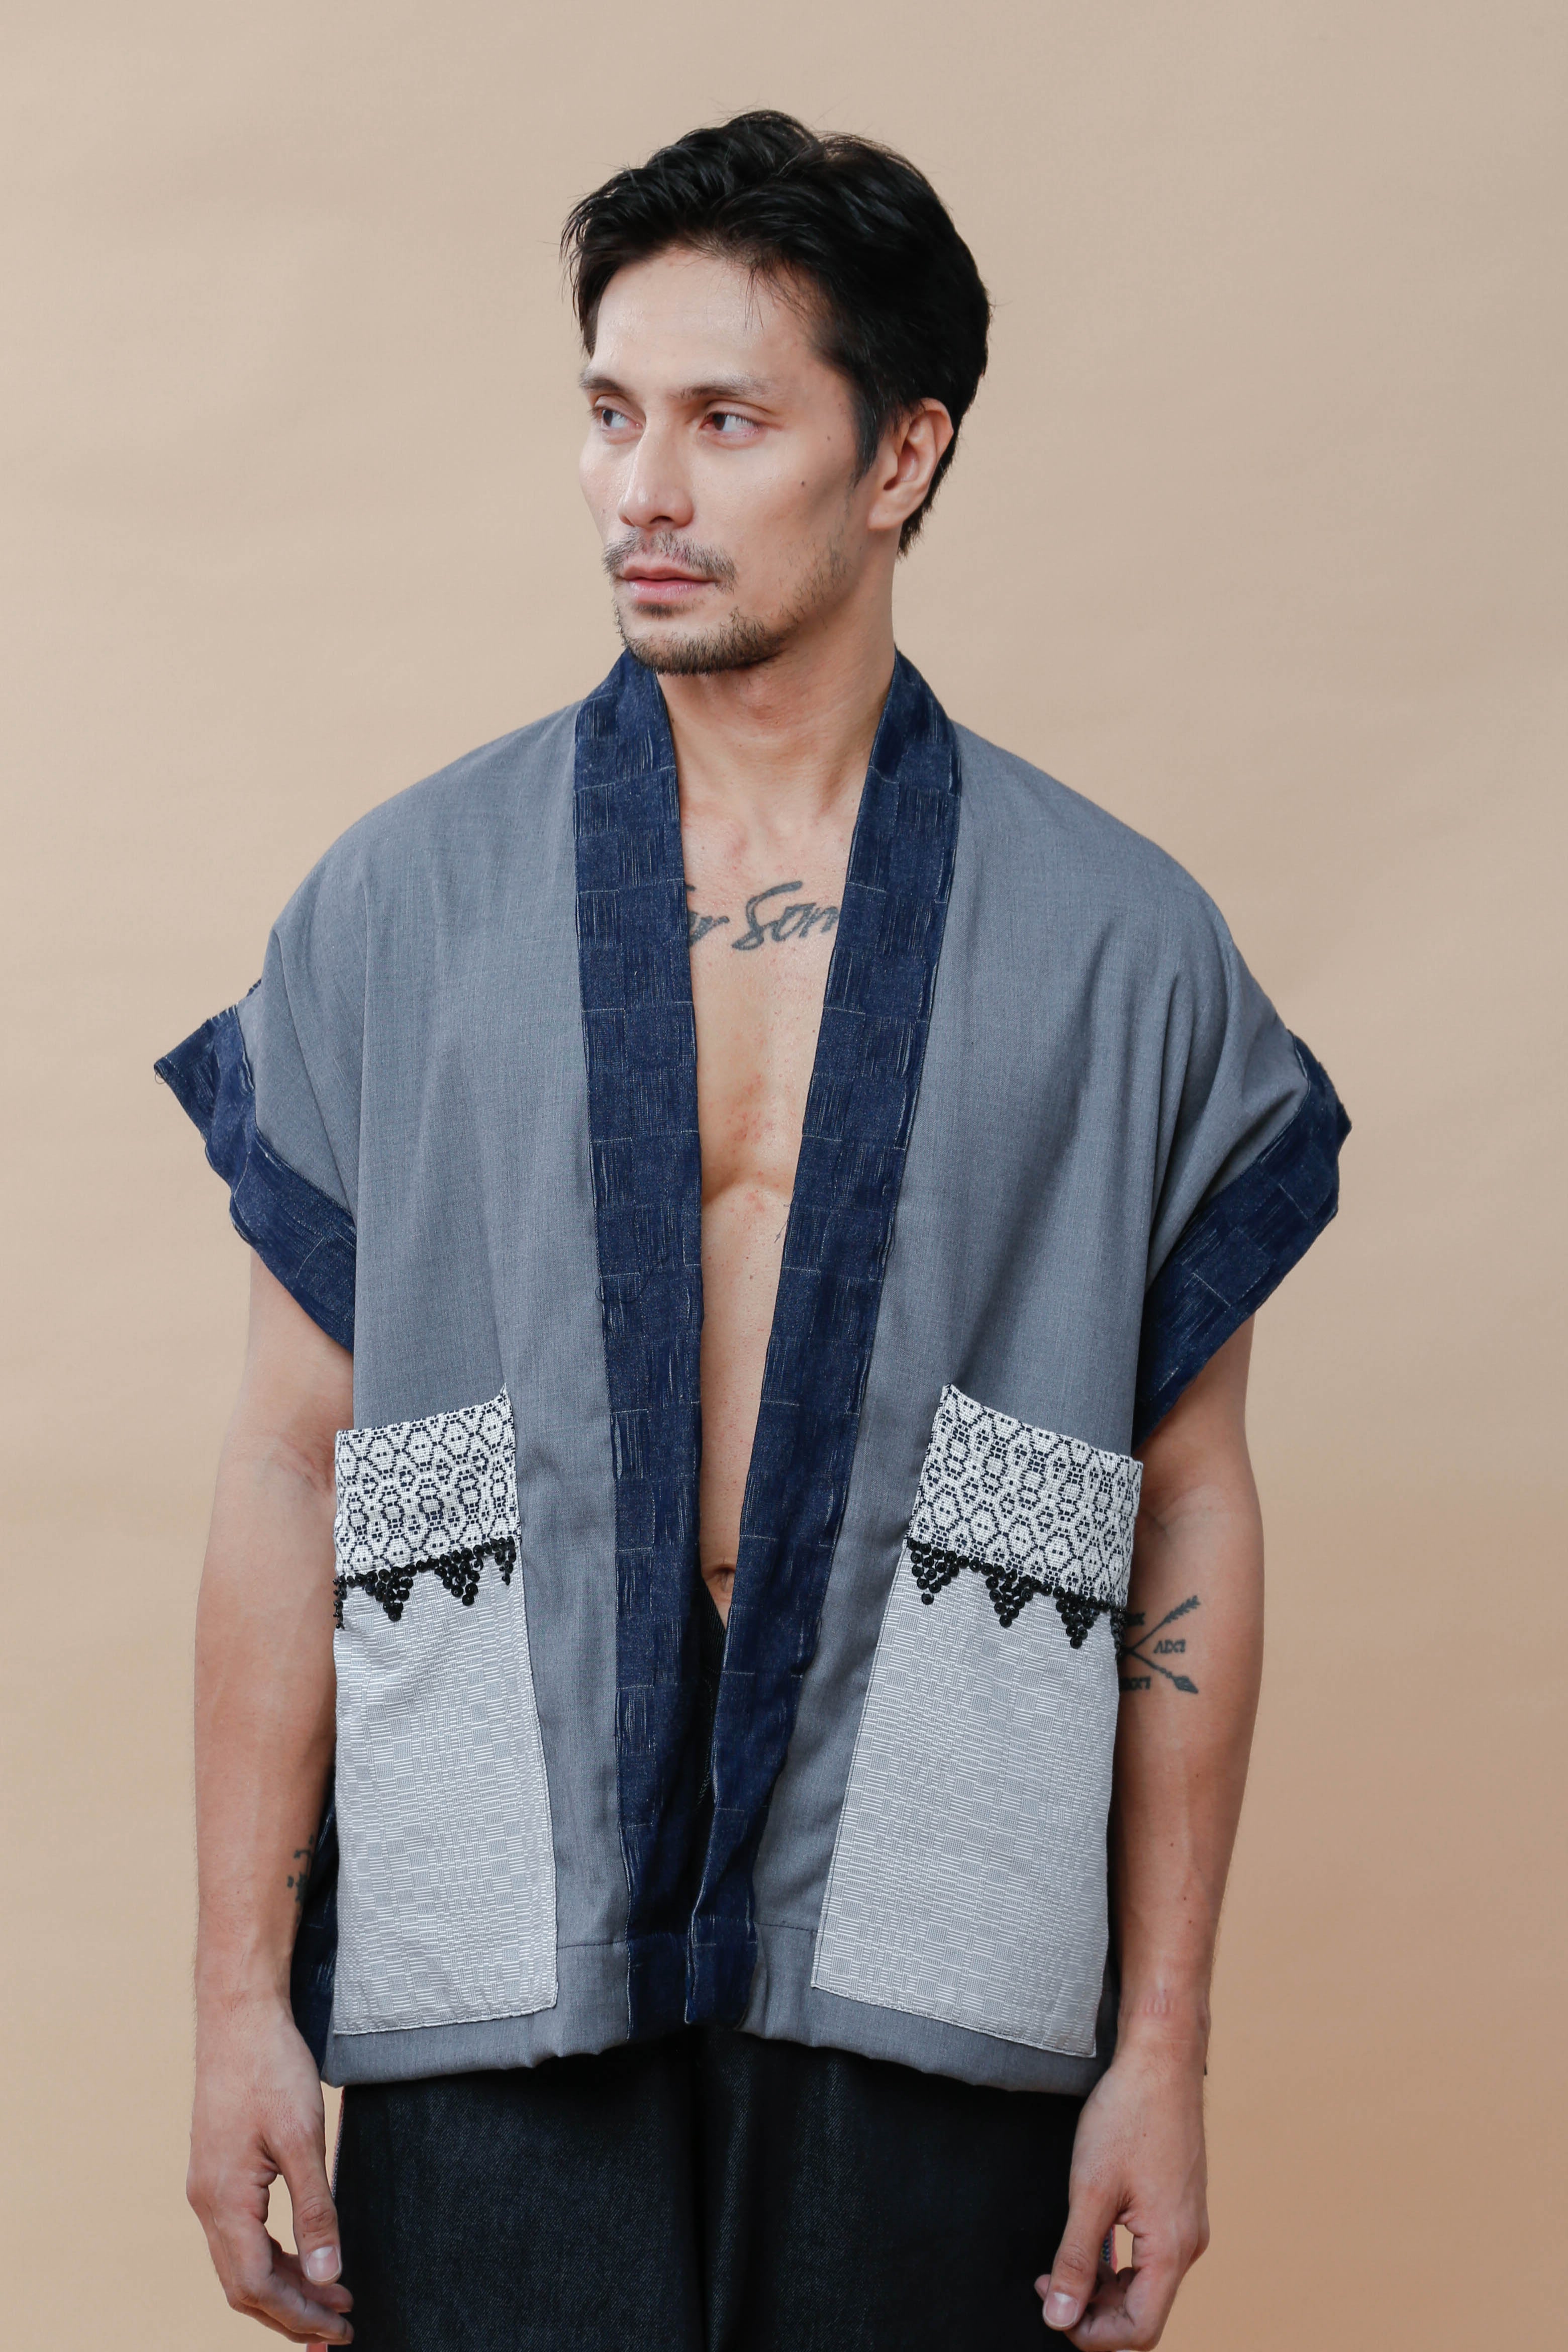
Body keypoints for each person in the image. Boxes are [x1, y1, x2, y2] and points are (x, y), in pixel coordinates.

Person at [160, 112, 1348, 2351]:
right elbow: (287, 1458)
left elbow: (1192, 1492)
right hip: (497, 1909)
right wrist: (237, 2001)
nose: (642, 490)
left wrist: (1164, 2050)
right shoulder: (402, 906)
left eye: (725, 421)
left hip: (942, 1905)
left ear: (901, 456)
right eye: (610, 414)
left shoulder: (1123, 947)